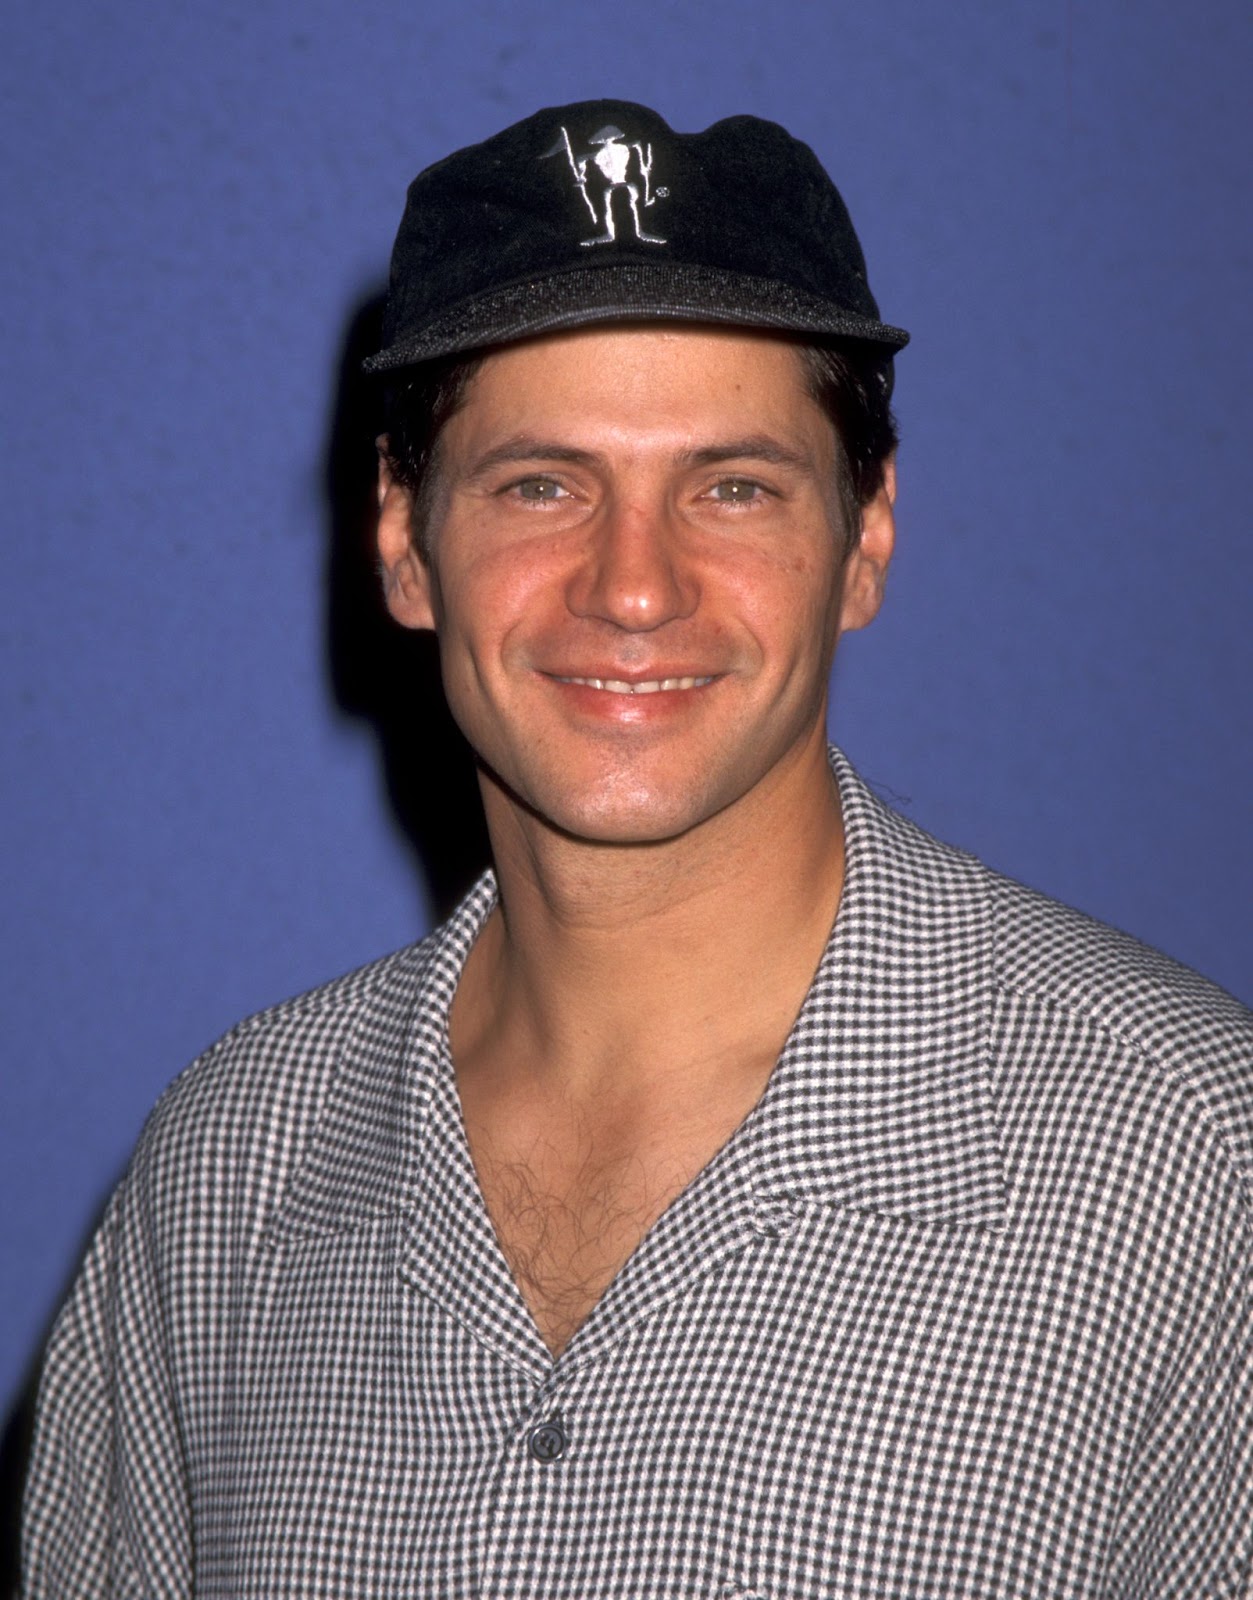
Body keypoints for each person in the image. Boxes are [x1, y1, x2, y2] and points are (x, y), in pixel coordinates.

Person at [22, 99, 1253, 1599]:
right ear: (403, 541)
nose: (632, 586)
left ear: (865, 538)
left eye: (731, 486)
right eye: (541, 483)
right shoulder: (225, 1174)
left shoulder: (1191, 1166)